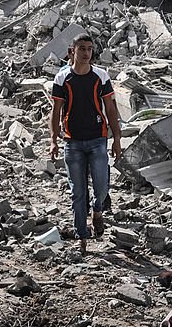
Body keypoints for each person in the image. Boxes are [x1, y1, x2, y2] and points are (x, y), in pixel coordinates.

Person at [49, 34, 122, 254]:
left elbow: (111, 108)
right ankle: (81, 236)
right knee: (77, 192)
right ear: (72, 51)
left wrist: (117, 139)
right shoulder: (62, 79)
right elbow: (56, 112)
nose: (86, 53)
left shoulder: (101, 76)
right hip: (72, 142)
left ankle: (98, 209)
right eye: (82, 49)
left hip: (98, 140)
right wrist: (53, 139)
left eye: (90, 49)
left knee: (101, 186)